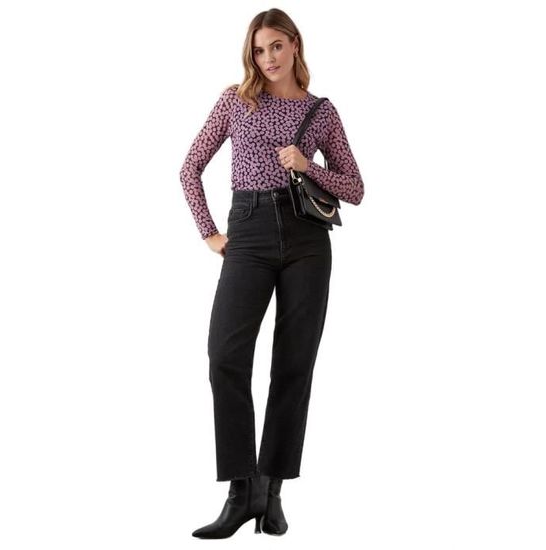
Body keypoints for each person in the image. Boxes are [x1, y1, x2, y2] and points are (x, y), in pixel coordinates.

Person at [179, 8, 364, 539]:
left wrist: (309, 166)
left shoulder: (320, 111)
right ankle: (241, 493)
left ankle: (272, 492)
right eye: (259, 50)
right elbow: (190, 168)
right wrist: (210, 233)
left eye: (276, 46)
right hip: (249, 230)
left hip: (307, 240)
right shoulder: (234, 101)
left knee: (293, 365)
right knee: (225, 357)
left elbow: (355, 188)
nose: (268, 58)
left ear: (294, 45)